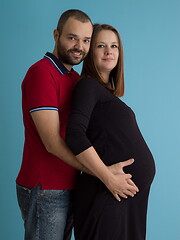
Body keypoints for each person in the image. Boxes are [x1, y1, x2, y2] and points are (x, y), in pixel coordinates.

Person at [16, 10, 138, 240]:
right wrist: (104, 175)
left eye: (86, 40)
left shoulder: (74, 79)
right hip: (46, 188)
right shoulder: (42, 74)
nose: (79, 46)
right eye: (72, 38)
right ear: (56, 35)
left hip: (71, 184)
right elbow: (52, 142)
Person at [66, 24, 156, 240]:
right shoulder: (87, 86)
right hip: (106, 194)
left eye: (114, 45)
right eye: (101, 45)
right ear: (90, 52)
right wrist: (108, 178)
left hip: (123, 199)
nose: (109, 51)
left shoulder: (104, 93)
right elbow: (74, 134)